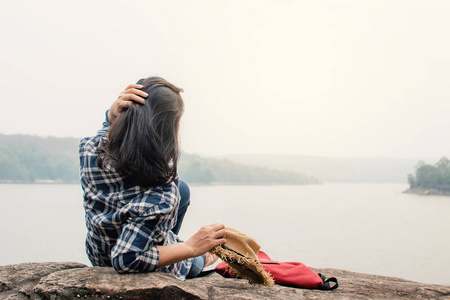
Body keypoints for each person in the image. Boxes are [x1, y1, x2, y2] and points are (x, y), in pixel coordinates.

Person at [79, 76, 226, 280]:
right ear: (170, 130)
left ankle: (162, 239)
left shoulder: (90, 148)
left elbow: (107, 127)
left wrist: (112, 113)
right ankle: (200, 258)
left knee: (182, 189)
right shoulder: (162, 192)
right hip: (127, 260)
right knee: (195, 261)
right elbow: (126, 259)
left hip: (99, 253)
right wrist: (191, 247)